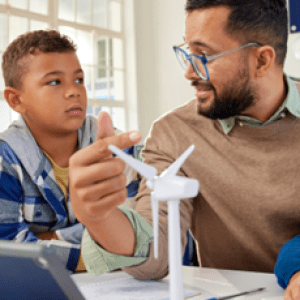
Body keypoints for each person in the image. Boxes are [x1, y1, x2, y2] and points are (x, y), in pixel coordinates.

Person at [69, 0, 300, 280]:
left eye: (204, 55)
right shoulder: (174, 133)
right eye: (187, 53)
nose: (189, 73)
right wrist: (100, 218)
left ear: (261, 60)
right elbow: (156, 256)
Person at [0, 29, 141, 272]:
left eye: (79, 80)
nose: (74, 90)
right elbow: (11, 254)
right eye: (54, 82)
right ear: (15, 100)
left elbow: (141, 233)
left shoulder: (116, 146)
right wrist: (105, 248)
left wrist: (49, 241)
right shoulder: (6, 160)